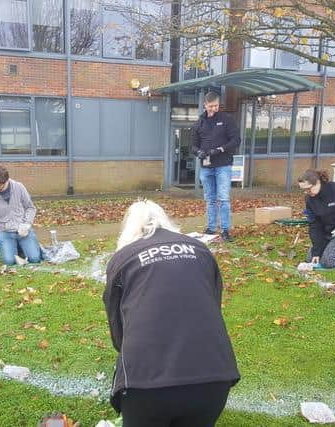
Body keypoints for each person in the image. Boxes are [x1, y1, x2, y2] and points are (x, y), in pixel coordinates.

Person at [104, 200, 240, 427]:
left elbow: (116, 324)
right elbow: (213, 303)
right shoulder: (200, 249)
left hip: (145, 386)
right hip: (214, 378)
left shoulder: (122, 258)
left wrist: (127, 356)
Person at [191, 91, 240, 242]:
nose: (214, 108)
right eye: (211, 106)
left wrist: (220, 149)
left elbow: (236, 140)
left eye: (216, 106)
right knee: (210, 199)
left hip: (223, 165)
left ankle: (225, 230)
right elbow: (192, 145)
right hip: (206, 167)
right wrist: (198, 152)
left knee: (223, 198)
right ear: (205, 105)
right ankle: (211, 228)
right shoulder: (199, 123)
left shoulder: (227, 119)